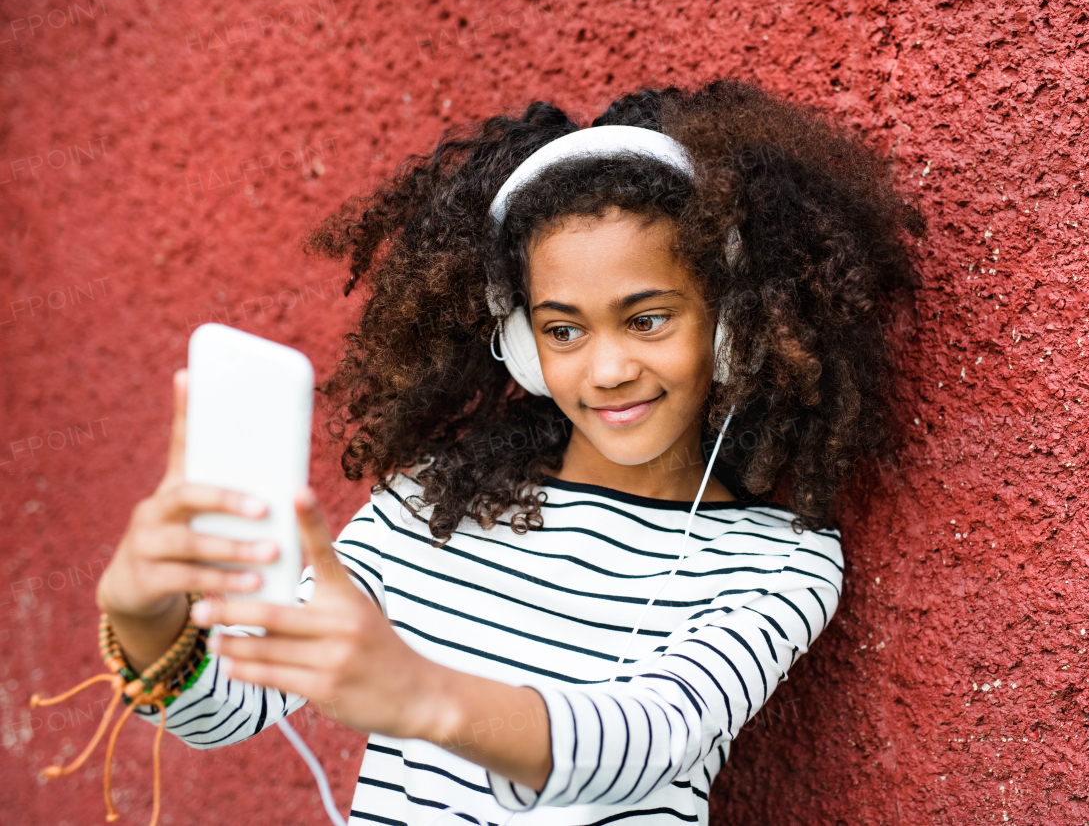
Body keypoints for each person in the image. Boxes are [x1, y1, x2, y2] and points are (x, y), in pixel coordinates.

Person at [94, 77, 922, 826]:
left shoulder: (778, 563)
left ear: (734, 327)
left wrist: (426, 697)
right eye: (563, 329)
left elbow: (655, 738)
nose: (606, 368)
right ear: (522, 346)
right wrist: (146, 615)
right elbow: (227, 708)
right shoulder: (425, 510)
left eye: (647, 318)